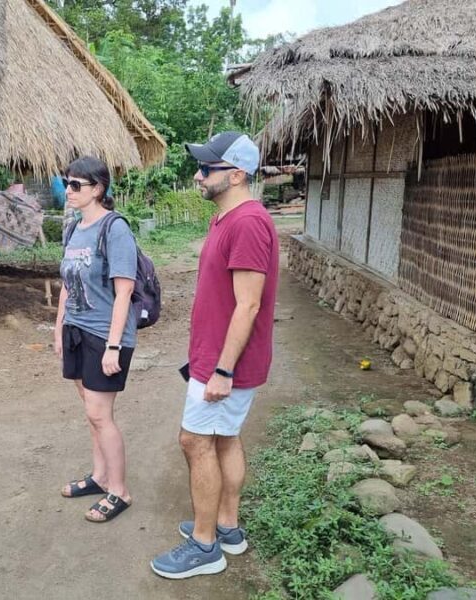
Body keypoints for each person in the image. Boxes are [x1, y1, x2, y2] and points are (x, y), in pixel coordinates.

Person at [150, 132, 279, 579]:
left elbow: (249, 304)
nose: (197, 176)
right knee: (223, 437)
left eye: (207, 169)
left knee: (195, 441)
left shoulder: (246, 222)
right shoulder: (226, 218)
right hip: (216, 356)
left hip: (225, 363)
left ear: (237, 174)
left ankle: (204, 545)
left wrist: (222, 369)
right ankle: (226, 528)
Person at [55, 156, 138, 523]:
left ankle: (119, 490)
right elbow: (66, 283)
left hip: (105, 334)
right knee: (90, 412)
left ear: (98, 189)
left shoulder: (115, 228)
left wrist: (114, 346)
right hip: (76, 329)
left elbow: (124, 292)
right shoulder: (74, 228)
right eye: (66, 183)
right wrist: (59, 328)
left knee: (99, 414)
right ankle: (100, 475)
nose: (68, 190)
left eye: (76, 185)